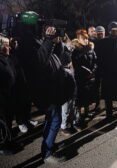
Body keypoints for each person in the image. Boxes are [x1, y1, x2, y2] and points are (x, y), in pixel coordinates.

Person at [14, 11, 74, 163]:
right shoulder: (26, 44)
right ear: (30, 26)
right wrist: (48, 40)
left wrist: (56, 41)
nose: (42, 27)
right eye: (39, 24)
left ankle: (48, 146)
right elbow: (39, 62)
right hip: (42, 90)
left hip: (51, 87)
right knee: (55, 119)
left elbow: (58, 56)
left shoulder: (37, 39)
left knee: (52, 118)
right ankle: (47, 153)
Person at [72, 29, 97, 130]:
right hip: (80, 79)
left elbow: (95, 61)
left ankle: (86, 113)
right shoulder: (76, 51)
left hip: (90, 79)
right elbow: (76, 65)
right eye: (83, 39)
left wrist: (94, 70)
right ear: (78, 39)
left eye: (87, 38)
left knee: (88, 97)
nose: (86, 40)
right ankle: (77, 118)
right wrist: (87, 72)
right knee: (79, 100)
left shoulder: (90, 49)